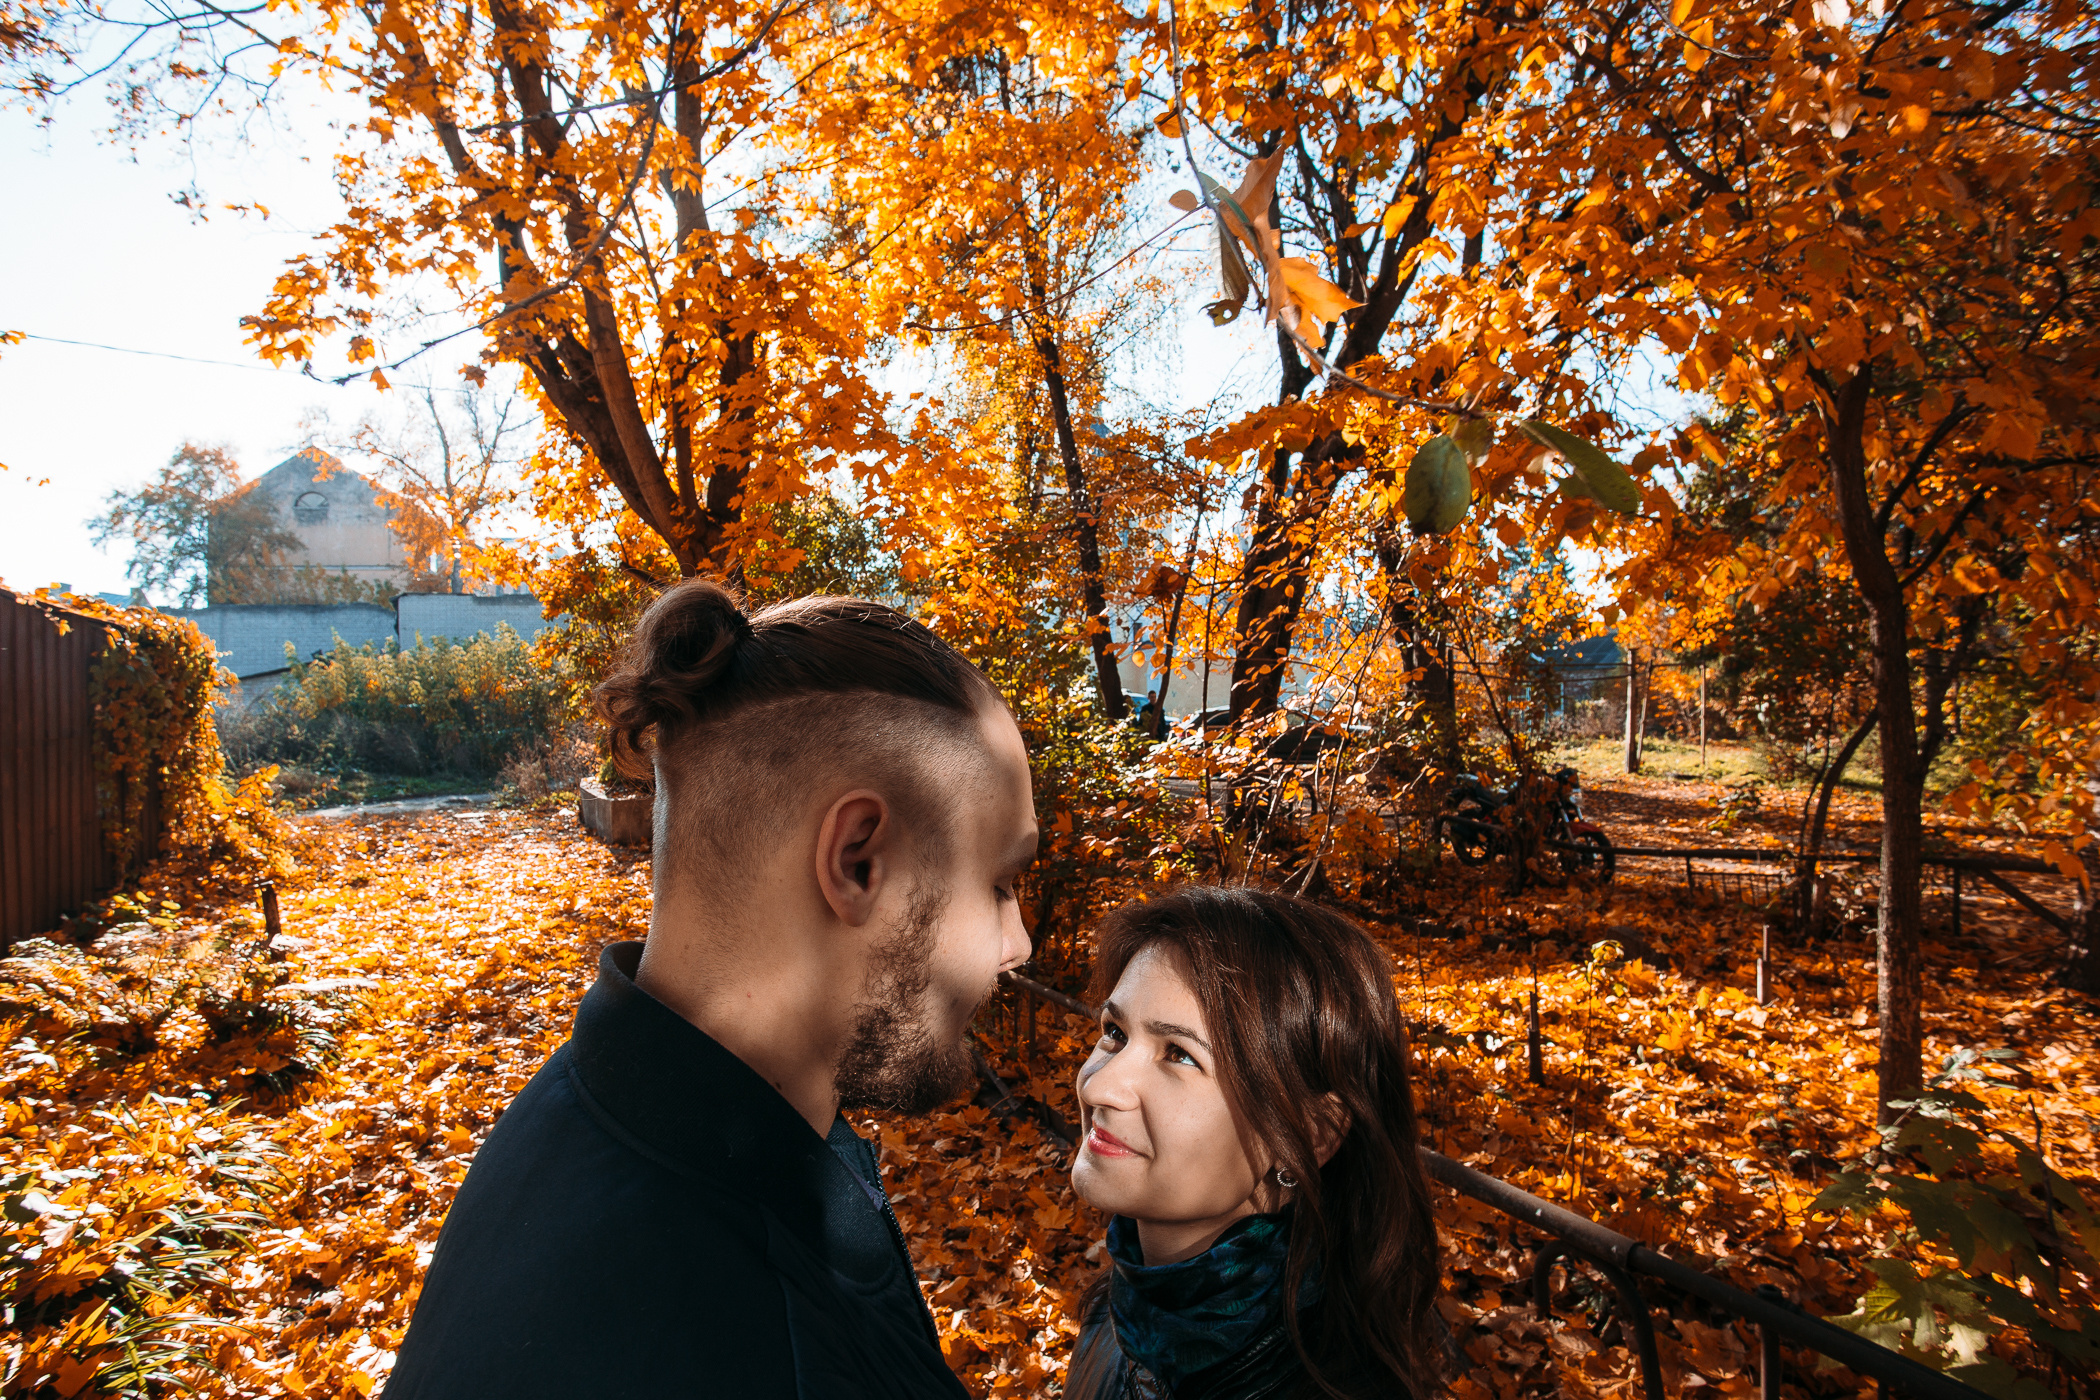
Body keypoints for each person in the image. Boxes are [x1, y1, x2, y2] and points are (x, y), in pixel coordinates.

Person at [385, 580, 1039, 1399]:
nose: (1016, 946)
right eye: (1001, 882)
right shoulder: (756, 1343)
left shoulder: (582, 1118)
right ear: (858, 861)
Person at [1065, 886, 1439, 1400]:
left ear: (1313, 1135)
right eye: (1115, 1032)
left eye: (1180, 1055)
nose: (1098, 1085)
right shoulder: (1115, 1313)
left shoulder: (1333, 1386)